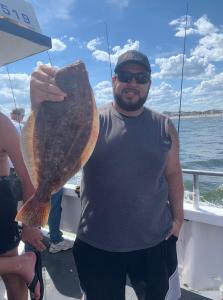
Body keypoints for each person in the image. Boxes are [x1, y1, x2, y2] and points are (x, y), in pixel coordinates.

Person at [30, 50, 184, 300]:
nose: (132, 83)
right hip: (96, 246)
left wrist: (179, 220)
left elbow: (174, 175)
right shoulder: (90, 122)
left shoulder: (165, 126)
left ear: (149, 84)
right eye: (125, 76)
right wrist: (40, 105)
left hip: (155, 244)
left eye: (141, 77)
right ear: (114, 81)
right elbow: (56, 148)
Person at [0, 112, 46, 300]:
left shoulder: (2, 123)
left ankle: (17, 265)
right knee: (12, 267)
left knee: (12, 279)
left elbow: (29, 176)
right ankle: (19, 264)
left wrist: (30, 225)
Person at [48, 188, 73, 253]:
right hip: (52, 181)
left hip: (38, 181)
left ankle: (36, 238)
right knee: (54, 209)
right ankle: (56, 241)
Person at [8, 107, 25, 202]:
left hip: (3, 170)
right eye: (23, 116)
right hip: (16, 171)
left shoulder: (4, 125)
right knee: (14, 200)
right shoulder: (21, 127)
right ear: (20, 116)